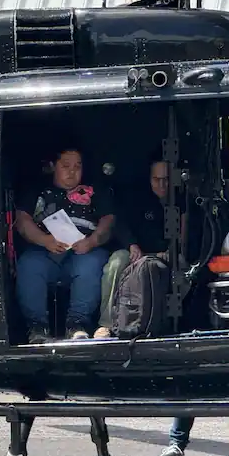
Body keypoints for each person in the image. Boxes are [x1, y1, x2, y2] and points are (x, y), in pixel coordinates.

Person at [14, 147, 115, 343]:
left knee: (90, 265)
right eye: (66, 166)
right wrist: (45, 241)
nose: (72, 172)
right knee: (29, 264)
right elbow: (22, 220)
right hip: (47, 250)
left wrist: (91, 241)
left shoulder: (94, 190)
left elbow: (109, 220)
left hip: (84, 250)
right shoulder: (38, 190)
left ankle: (77, 324)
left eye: (77, 166)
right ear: (53, 167)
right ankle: (37, 328)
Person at [95, 157, 175, 338]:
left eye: (166, 179)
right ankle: (106, 324)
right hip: (137, 253)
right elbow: (120, 224)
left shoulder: (183, 202)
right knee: (117, 261)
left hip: (167, 255)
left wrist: (172, 251)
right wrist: (131, 244)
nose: (162, 184)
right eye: (156, 179)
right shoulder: (137, 199)